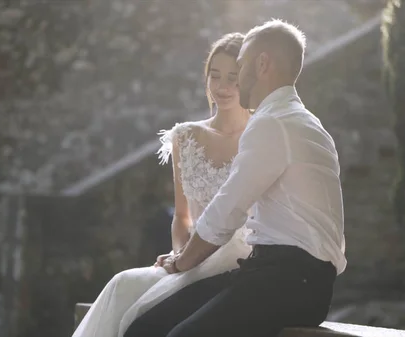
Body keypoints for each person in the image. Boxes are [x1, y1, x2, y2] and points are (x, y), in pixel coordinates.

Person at [124, 19, 347, 337]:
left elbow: (227, 211)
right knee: (147, 326)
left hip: (290, 282)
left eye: (240, 65)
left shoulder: (273, 122)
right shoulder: (306, 122)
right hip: (284, 277)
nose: (238, 79)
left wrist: (181, 262)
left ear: (262, 63)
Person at [71, 32, 253, 337]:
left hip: (238, 264)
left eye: (233, 78)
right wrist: (180, 258)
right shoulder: (185, 136)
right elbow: (182, 217)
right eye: (215, 75)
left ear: (246, 80)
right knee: (123, 284)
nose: (222, 87)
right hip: (189, 260)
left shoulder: (262, 136)